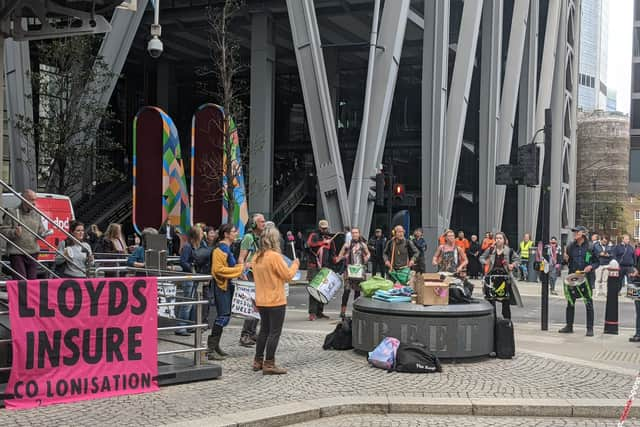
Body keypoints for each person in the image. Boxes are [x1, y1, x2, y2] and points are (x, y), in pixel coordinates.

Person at [251, 226, 300, 374]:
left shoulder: (256, 256)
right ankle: (269, 364)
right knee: (274, 332)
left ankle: (257, 360)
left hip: (261, 299)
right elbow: (288, 275)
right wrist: (296, 264)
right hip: (276, 300)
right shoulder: (274, 256)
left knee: (264, 331)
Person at [208, 223, 244, 360]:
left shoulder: (227, 248)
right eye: (234, 232)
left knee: (225, 316)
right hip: (221, 286)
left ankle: (215, 346)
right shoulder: (220, 250)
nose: (236, 234)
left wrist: (240, 269)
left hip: (227, 286)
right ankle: (211, 349)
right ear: (226, 234)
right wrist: (239, 269)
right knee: (223, 316)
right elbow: (218, 270)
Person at [559, 226, 598, 336]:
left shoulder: (590, 247)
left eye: (577, 232)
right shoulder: (571, 246)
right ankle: (569, 326)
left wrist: (591, 266)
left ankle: (590, 329)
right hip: (573, 278)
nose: (574, 233)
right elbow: (565, 262)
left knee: (588, 303)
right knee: (570, 302)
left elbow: (597, 262)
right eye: (574, 232)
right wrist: (565, 260)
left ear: (583, 233)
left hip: (586, 278)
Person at [1, 189, 47, 280]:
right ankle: (21, 294)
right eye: (31, 200)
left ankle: (29, 294)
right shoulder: (12, 212)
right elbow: (3, 230)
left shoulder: (37, 214)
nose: (34, 203)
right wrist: (14, 232)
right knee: (20, 280)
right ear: (23, 199)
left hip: (33, 251)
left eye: (35, 200)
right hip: (17, 252)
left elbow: (41, 229)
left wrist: (43, 234)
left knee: (32, 280)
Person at [479, 232, 523, 319]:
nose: (498, 240)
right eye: (497, 238)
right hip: (492, 277)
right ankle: (493, 319)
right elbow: (481, 257)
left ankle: (507, 321)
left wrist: (512, 265)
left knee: (505, 301)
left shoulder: (509, 251)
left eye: (500, 238)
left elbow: (518, 260)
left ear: (504, 240)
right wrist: (485, 262)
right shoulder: (491, 250)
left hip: (504, 277)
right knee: (491, 300)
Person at [237, 213, 266, 346]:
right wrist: (242, 272)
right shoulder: (248, 237)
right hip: (250, 274)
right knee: (251, 305)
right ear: (254, 224)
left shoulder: (263, 237)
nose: (264, 224)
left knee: (258, 305)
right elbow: (241, 257)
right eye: (261, 222)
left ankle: (253, 332)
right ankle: (245, 335)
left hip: (260, 274)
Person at [306, 219, 338, 321]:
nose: (324, 229)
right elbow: (310, 244)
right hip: (313, 266)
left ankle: (320, 312)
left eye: (325, 228)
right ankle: (312, 313)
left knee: (323, 290)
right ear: (319, 227)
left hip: (325, 268)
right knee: (313, 290)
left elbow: (333, 255)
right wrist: (323, 242)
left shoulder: (330, 239)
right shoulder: (314, 235)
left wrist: (340, 258)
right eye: (322, 228)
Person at [336, 227, 370, 318]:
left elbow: (368, 253)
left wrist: (366, 258)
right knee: (346, 291)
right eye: (353, 233)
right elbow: (339, 256)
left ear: (359, 234)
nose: (354, 234)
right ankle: (342, 312)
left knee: (357, 291)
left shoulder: (363, 244)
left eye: (356, 233)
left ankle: (356, 311)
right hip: (349, 271)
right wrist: (343, 257)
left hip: (359, 270)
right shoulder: (347, 245)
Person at [175, 227, 203, 336]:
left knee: (192, 303)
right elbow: (183, 261)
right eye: (200, 233)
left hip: (194, 276)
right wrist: (191, 268)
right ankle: (181, 327)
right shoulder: (188, 247)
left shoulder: (197, 246)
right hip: (189, 276)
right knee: (187, 302)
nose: (202, 234)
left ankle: (189, 325)